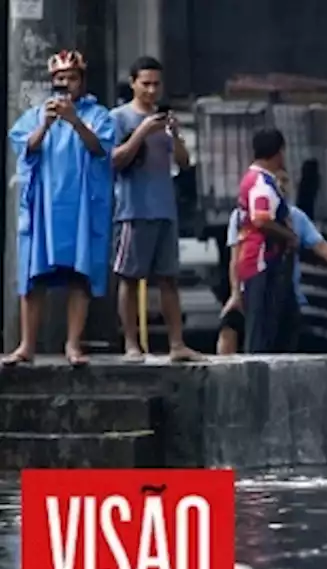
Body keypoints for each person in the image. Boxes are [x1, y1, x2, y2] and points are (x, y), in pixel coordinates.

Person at [4, 49, 114, 367]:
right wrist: (47, 124)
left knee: (79, 276)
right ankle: (26, 346)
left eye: (72, 78)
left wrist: (74, 121)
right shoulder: (38, 115)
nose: (66, 84)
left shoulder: (98, 115)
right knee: (33, 276)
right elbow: (25, 149)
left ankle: (73, 344)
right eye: (60, 79)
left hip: (79, 207)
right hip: (44, 208)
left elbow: (101, 150)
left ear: (82, 81)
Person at [110, 55, 203, 363]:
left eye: (156, 84)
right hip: (133, 208)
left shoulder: (165, 119)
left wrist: (174, 134)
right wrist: (142, 132)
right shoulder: (119, 117)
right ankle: (131, 343)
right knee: (129, 277)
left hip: (164, 206)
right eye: (145, 84)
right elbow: (115, 160)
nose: (151, 90)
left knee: (168, 278)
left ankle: (177, 343)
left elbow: (184, 162)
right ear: (134, 83)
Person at [218, 200, 327, 354]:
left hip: (284, 297)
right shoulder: (241, 216)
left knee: (278, 346)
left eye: (284, 180)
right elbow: (235, 259)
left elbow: (321, 246)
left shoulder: (294, 217)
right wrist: (235, 293)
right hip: (251, 292)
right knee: (230, 327)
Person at [233, 128, 300, 353]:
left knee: (266, 325)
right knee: (261, 327)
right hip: (261, 261)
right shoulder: (262, 183)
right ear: (279, 152)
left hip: (257, 260)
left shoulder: (256, 179)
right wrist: (289, 236)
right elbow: (261, 219)